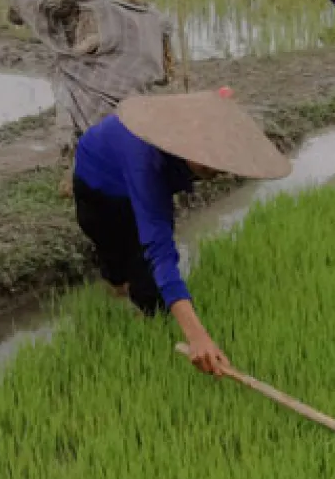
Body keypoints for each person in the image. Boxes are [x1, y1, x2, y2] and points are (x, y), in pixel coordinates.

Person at [71, 88, 291, 376]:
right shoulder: (145, 160)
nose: (218, 169)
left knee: (146, 282)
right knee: (115, 251)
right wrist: (197, 336)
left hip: (130, 170)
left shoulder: (183, 132)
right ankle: (121, 297)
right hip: (96, 186)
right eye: (209, 160)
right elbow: (159, 247)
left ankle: (147, 318)